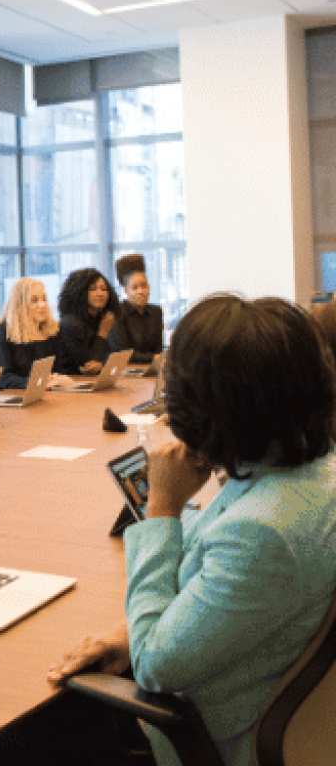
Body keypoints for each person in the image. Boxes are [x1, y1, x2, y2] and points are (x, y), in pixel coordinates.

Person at [46, 295, 336, 766]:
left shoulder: (261, 530)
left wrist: (162, 507)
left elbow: (156, 665)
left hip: (224, 740)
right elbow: (225, 588)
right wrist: (132, 631)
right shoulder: (308, 471)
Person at [0, 278, 70, 391]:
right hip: (17, 396)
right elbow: (2, 377)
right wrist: (39, 383)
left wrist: (58, 378)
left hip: (49, 393)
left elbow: (61, 368)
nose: (42, 304)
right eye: (34, 300)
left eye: (44, 299)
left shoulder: (53, 329)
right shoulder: (4, 331)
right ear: (20, 305)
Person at [57, 267, 121, 375]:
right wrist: (102, 333)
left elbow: (111, 356)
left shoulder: (102, 318)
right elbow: (89, 366)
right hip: (72, 382)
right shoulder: (71, 323)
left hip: (91, 381)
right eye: (93, 289)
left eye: (104, 289)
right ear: (79, 292)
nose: (100, 293)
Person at [108, 254, 164, 365]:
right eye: (134, 288)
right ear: (125, 290)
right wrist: (154, 358)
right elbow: (122, 354)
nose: (140, 291)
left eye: (144, 286)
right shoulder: (117, 312)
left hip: (151, 368)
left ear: (149, 288)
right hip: (125, 371)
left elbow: (158, 349)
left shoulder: (156, 312)